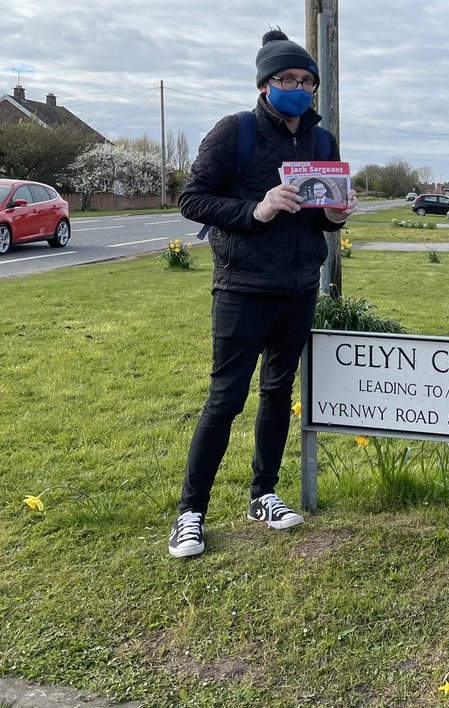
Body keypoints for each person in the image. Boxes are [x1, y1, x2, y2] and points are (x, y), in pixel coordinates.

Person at [169, 29, 358, 559]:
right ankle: (190, 512)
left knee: (277, 394)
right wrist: (257, 208)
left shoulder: (323, 143)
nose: (297, 88)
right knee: (225, 399)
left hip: (299, 288)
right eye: (286, 79)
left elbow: (320, 220)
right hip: (243, 288)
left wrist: (335, 216)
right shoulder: (236, 131)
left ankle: (263, 494)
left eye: (306, 81)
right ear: (264, 84)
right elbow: (192, 200)